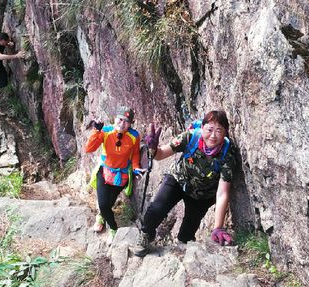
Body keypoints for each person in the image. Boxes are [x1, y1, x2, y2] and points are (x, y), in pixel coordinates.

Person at [133, 110, 235, 256]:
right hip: (178, 179)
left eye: (219, 131)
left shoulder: (227, 155)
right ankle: (146, 235)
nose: (213, 136)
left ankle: (182, 249)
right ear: (202, 128)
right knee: (157, 208)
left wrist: (218, 227)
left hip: (203, 195)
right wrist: (153, 149)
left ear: (225, 133)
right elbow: (161, 155)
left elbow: (222, 193)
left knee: (187, 232)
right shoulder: (190, 137)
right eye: (209, 129)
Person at [85, 109, 141, 234]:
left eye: (127, 121)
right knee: (104, 204)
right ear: (115, 118)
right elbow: (89, 148)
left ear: (131, 123)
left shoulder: (134, 136)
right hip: (104, 172)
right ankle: (114, 228)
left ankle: (101, 217)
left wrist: (136, 167)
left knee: (109, 203)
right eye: (120, 119)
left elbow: (136, 154)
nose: (122, 123)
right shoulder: (106, 131)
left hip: (121, 176)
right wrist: (96, 130)